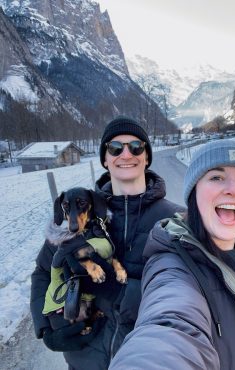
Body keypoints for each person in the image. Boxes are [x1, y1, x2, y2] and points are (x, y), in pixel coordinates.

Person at [109, 140, 235, 370]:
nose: (233, 188)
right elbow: (170, 326)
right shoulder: (174, 268)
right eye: (216, 177)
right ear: (194, 192)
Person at [30, 116, 184, 370]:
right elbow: (42, 271)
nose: (126, 154)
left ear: (146, 157)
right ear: (105, 159)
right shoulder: (76, 217)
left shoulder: (176, 219)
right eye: (115, 148)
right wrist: (45, 326)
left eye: (136, 147)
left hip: (146, 359)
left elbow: (187, 291)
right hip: (84, 361)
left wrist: (119, 292)